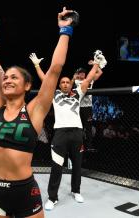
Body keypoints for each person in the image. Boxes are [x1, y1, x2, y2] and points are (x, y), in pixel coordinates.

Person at [0, 6, 76, 218]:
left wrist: (65, 30)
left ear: (26, 85)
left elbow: (55, 68)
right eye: (6, 77)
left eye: (14, 77)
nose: (7, 80)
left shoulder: (34, 110)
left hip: (24, 191)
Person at [30, 50, 106, 210]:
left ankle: (76, 191)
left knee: (77, 165)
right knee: (56, 167)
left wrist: (97, 63)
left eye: (67, 82)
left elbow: (90, 77)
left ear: (71, 84)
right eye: (62, 82)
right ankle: (52, 197)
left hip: (77, 133)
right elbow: (45, 79)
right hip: (60, 134)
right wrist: (37, 65)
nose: (65, 84)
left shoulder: (78, 93)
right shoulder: (54, 94)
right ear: (59, 85)